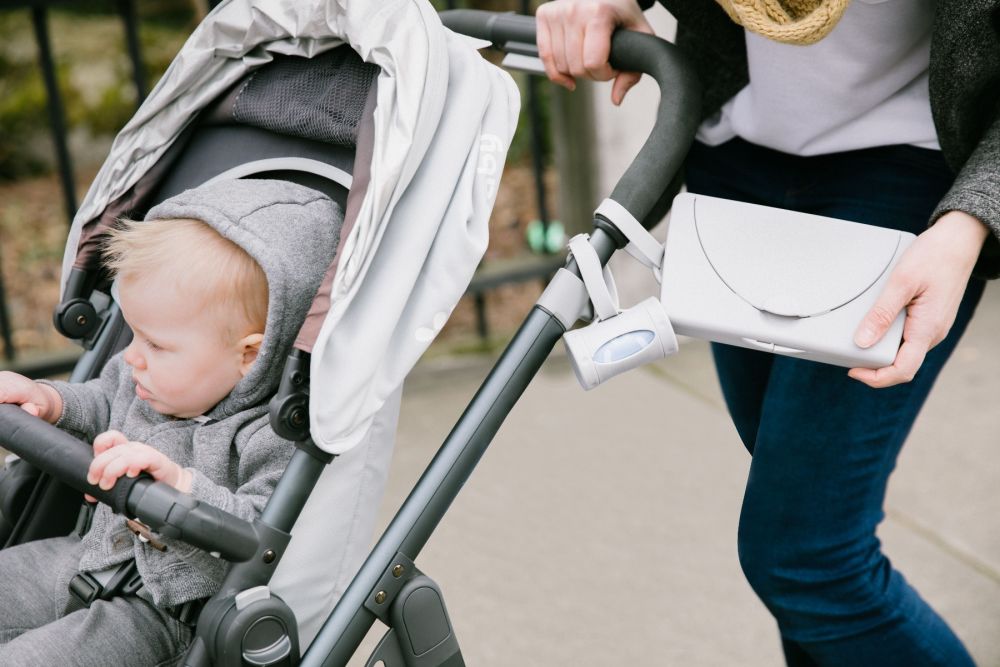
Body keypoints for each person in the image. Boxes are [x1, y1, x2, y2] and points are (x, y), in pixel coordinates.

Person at [536, 1, 999, 665]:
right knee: (798, 533)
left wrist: (971, 221)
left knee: (807, 558)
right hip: (737, 162)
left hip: (907, 185)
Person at [0, 178, 341, 665]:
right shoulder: (146, 377)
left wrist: (179, 485)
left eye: (155, 345)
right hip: (84, 555)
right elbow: (101, 401)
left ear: (250, 353)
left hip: (162, 614)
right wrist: (47, 400)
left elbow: (257, 533)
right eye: (133, 335)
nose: (132, 357)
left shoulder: (272, 436)